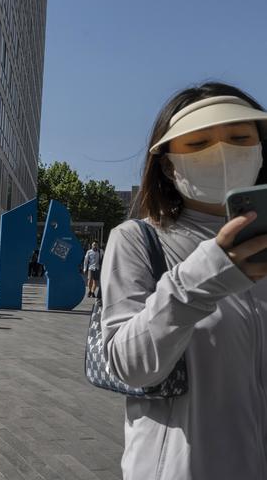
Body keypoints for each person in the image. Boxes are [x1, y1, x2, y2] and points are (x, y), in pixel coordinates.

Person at [101, 83, 267, 479]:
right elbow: (129, 365)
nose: (222, 151)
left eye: (240, 137)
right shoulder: (137, 239)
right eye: (198, 143)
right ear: (167, 163)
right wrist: (205, 275)